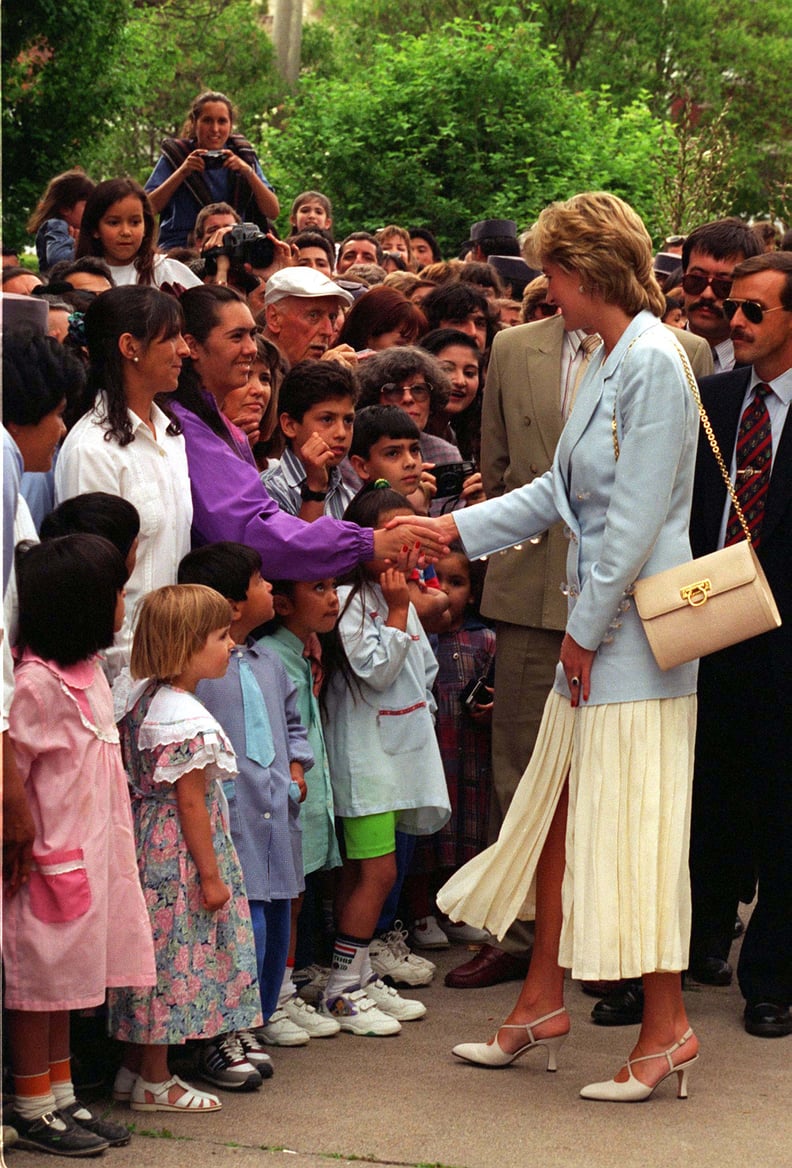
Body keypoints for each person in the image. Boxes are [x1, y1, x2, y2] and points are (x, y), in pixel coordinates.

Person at [389, 191, 702, 1102]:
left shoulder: (649, 362)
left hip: (631, 640)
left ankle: (667, 1030)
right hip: (601, 633)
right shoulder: (614, 355)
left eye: (553, 274)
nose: (546, 291)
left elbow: (636, 521)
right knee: (559, 823)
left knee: (631, 833)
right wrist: (446, 530)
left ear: (584, 270)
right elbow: (558, 499)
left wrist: (582, 633)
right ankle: (537, 1002)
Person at [4, 535, 155, 1157]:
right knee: (38, 989)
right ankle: (33, 1104)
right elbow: (13, 772)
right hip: (47, 868)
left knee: (69, 986)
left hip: (93, 860)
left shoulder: (87, 671)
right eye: (117, 592)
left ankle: (63, 1096)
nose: (125, 602)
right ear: (82, 604)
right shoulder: (34, 684)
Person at [688, 251, 792, 1038]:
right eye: (733, 306)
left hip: (786, 642)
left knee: (780, 812)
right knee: (707, 799)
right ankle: (699, 947)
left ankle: (772, 979)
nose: (737, 322)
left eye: (755, 309)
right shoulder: (713, 398)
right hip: (704, 630)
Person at [108, 584, 263, 1106]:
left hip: (148, 845)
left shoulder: (143, 699)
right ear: (186, 645)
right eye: (220, 636)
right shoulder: (183, 717)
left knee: (151, 954)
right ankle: (156, 1078)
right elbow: (191, 804)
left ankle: (134, 1067)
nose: (230, 646)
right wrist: (213, 876)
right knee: (177, 959)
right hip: (179, 856)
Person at [171, 285, 447, 577]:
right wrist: (368, 541)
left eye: (252, 335)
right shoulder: (188, 428)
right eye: (236, 337)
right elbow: (255, 533)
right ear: (193, 346)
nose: (251, 348)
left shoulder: (218, 428)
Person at [178, 544, 332, 1050]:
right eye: (261, 581)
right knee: (248, 923)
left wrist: (294, 767)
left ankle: (262, 1014)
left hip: (276, 811)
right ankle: (233, 1027)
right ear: (232, 604)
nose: (271, 588)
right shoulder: (200, 676)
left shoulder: (271, 663)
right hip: (233, 812)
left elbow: (292, 724)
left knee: (279, 913)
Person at [318, 485, 450, 1034]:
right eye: (399, 535)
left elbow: (422, 670)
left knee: (365, 871)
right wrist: (398, 612)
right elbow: (375, 668)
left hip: (395, 757)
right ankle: (342, 988)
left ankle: (358, 971)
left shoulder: (398, 596)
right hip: (368, 762)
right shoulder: (349, 599)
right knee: (377, 873)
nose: (410, 547)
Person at [55, 285, 193, 679]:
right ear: (130, 346)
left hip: (171, 660)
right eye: (171, 338)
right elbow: (91, 578)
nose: (184, 350)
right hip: (119, 669)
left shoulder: (170, 434)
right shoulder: (92, 449)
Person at [406, 546, 495, 948]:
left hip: (468, 757)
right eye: (434, 579)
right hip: (427, 756)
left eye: (456, 583)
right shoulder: (413, 637)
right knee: (424, 833)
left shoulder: (485, 640)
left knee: (462, 835)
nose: (443, 590)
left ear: (473, 593)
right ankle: (419, 913)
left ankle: (454, 910)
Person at [145, 90, 278, 250]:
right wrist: (182, 172)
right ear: (195, 122)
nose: (215, 129)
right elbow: (148, 208)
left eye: (222, 121)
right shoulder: (176, 156)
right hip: (182, 248)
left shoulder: (243, 156)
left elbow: (273, 211)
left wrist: (248, 173)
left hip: (234, 246)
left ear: (230, 125)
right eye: (207, 121)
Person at [262, 360, 358, 520]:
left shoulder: (351, 496)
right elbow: (306, 544)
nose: (341, 433)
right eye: (327, 419)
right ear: (290, 425)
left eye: (348, 420)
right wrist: (315, 489)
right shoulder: (265, 491)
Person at [76, 178, 202, 289]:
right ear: (95, 229)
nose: (126, 232)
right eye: (114, 223)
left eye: (135, 222)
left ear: (145, 226)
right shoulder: (80, 278)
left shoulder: (163, 270)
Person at [680, 217, 762, 372]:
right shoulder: (653, 349)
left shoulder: (761, 369)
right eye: (696, 280)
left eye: (723, 286)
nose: (707, 294)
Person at [260, 266, 356, 367]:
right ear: (274, 318)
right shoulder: (246, 374)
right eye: (313, 315)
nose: (328, 331)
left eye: (332, 317)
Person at [420, 327, 484, 463]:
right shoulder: (403, 435)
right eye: (447, 369)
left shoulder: (465, 437)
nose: (460, 381)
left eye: (469, 373)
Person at [27, 168, 96, 273]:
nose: (92, 212)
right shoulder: (56, 225)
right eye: (88, 206)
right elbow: (58, 261)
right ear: (65, 209)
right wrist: (81, 248)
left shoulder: (76, 231)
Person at [336, 285, 427, 352]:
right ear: (368, 337)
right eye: (401, 345)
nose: (412, 354)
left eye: (415, 345)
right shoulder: (334, 375)